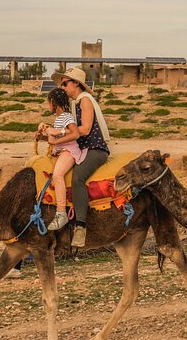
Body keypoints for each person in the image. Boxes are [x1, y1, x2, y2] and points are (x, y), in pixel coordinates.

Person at [52, 67, 110, 247]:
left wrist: (59, 136)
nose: (62, 87)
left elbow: (84, 129)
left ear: (76, 83)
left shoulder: (85, 101)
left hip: (95, 148)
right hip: (83, 148)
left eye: (65, 83)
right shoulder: (74, 103)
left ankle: (81, 227)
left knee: (78, 178)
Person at [36, 88, 87, 231]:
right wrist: (44, 136)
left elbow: (75, 133)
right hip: (61, 151)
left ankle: (61, 212)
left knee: (57, 175)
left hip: (69, 151)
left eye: (48, 103)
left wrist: (57, 135)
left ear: (53, 102)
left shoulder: (66, 116)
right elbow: (57, 138)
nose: (48, 106)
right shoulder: (58, 119)